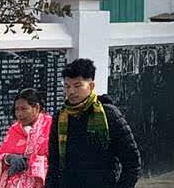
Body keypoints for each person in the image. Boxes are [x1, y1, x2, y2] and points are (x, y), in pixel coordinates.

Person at [45, 58, 140, 188]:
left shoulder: (109, 115)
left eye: (77, 86)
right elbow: (54, 164)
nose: (71, 91)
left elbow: (132, 163)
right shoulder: (60, 118)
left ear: (91, 86)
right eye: (67, 86)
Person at [0, 88, 52, 188]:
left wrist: (32, 162)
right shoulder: (14, 130)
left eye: (24, 109)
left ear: (36, 108)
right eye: (17, 109)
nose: (19, 114)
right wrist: (8, 159)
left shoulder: (51, 126)